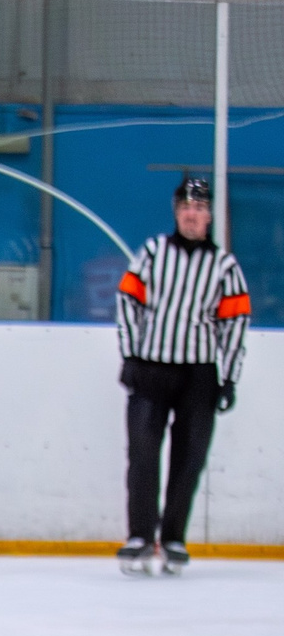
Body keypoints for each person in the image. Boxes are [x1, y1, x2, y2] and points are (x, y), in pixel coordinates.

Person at [115, 175, 251, 576]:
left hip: (199, 374)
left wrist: (230, 378)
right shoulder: (154, 253)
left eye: (200, 208)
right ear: (177, 212)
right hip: (151, 367)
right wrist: (129, 354)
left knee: (188, 459)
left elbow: (235, 323)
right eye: (187, 208)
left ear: (209, 216)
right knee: (142, 453)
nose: (193, 214)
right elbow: (128, 300)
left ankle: (173, 537)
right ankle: (140, 535)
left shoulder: (224, 265)